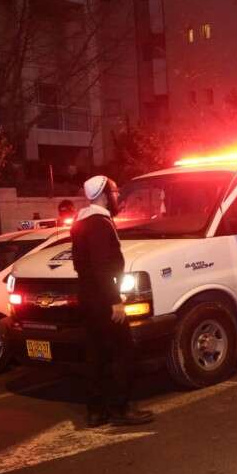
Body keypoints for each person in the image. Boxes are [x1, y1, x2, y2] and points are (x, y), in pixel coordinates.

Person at [71, 175, 154, 427]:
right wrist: (115, 300)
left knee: (96, 354)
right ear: (104, 195)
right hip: (103, 299)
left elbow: (81, 264)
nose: (117, 196)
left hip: (88, 296)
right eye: (115, 192)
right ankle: (120, 408)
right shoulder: (100, 224)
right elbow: (103, 267)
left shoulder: (81, 221)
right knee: (124, 352)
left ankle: (96, 411)